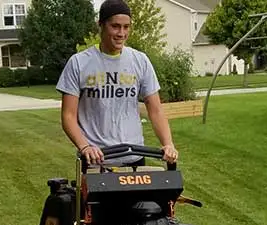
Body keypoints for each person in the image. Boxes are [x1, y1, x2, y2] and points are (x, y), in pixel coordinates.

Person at [56, 0, 178, 168]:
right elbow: (68, 116)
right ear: (101, 25)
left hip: (134, 157)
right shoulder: (79, 63)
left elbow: (156, 110)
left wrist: (168, 144)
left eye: (126, 27)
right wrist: (85, 147)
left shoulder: (140, 61)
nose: (121, 33)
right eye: (115, 26)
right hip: (96, 160)